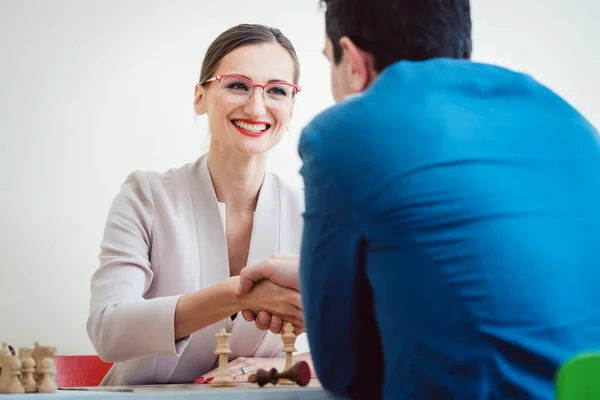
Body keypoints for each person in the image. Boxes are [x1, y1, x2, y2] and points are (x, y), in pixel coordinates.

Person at [241, 0, 600, 399]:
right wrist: (314, 276)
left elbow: (346, 371)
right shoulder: (566, 118)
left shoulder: (346, 133)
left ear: (355, 63)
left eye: (330, 62)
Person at [86, 23, 313, 386]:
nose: (257, 107)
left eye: (276, 91)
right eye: (237, 85)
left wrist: (291, 364)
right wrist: (242, 294)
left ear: (291, 105)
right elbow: (108, 329)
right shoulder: (146, 195)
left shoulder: (311, 213)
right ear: (200, 96)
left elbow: (368, 336)